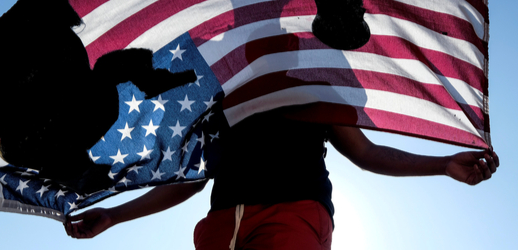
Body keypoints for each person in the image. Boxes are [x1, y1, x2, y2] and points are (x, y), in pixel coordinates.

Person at [64, 109, 499, 249]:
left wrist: (442, 164)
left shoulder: (315, 82)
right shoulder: (223, 92)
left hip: (293, 213)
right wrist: (115, 217)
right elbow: (191, 180)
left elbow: (366, 153)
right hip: (219, 226)